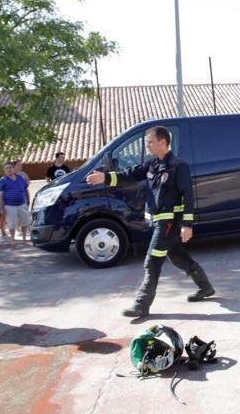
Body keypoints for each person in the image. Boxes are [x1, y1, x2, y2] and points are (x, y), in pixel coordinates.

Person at [85, 126, 214, 318]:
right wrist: (104, 177)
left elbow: (188, 196)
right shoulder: (151, 165)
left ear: (163, 142)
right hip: (157, 222)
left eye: (150, 142)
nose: (148, 146)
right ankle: (206, 287)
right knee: (177, 256)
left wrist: (187, 225)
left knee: (152, 261)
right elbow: (129, 174)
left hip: (169, 223)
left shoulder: (178, 166)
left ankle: (141, 304)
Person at [0, 162, 30, 241]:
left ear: (13, 168)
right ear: (4, 170)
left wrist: (28, 200)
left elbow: (26, 189)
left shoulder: (20, 178)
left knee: (25, 221)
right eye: (6, 168)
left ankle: (24, 238)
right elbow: (0, 194)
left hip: (22, 203)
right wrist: (1, 207)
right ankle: (12, 239)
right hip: (9, 205)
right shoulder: (2, 180)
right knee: (11, 223)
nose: (9, 169)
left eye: (10, 167)